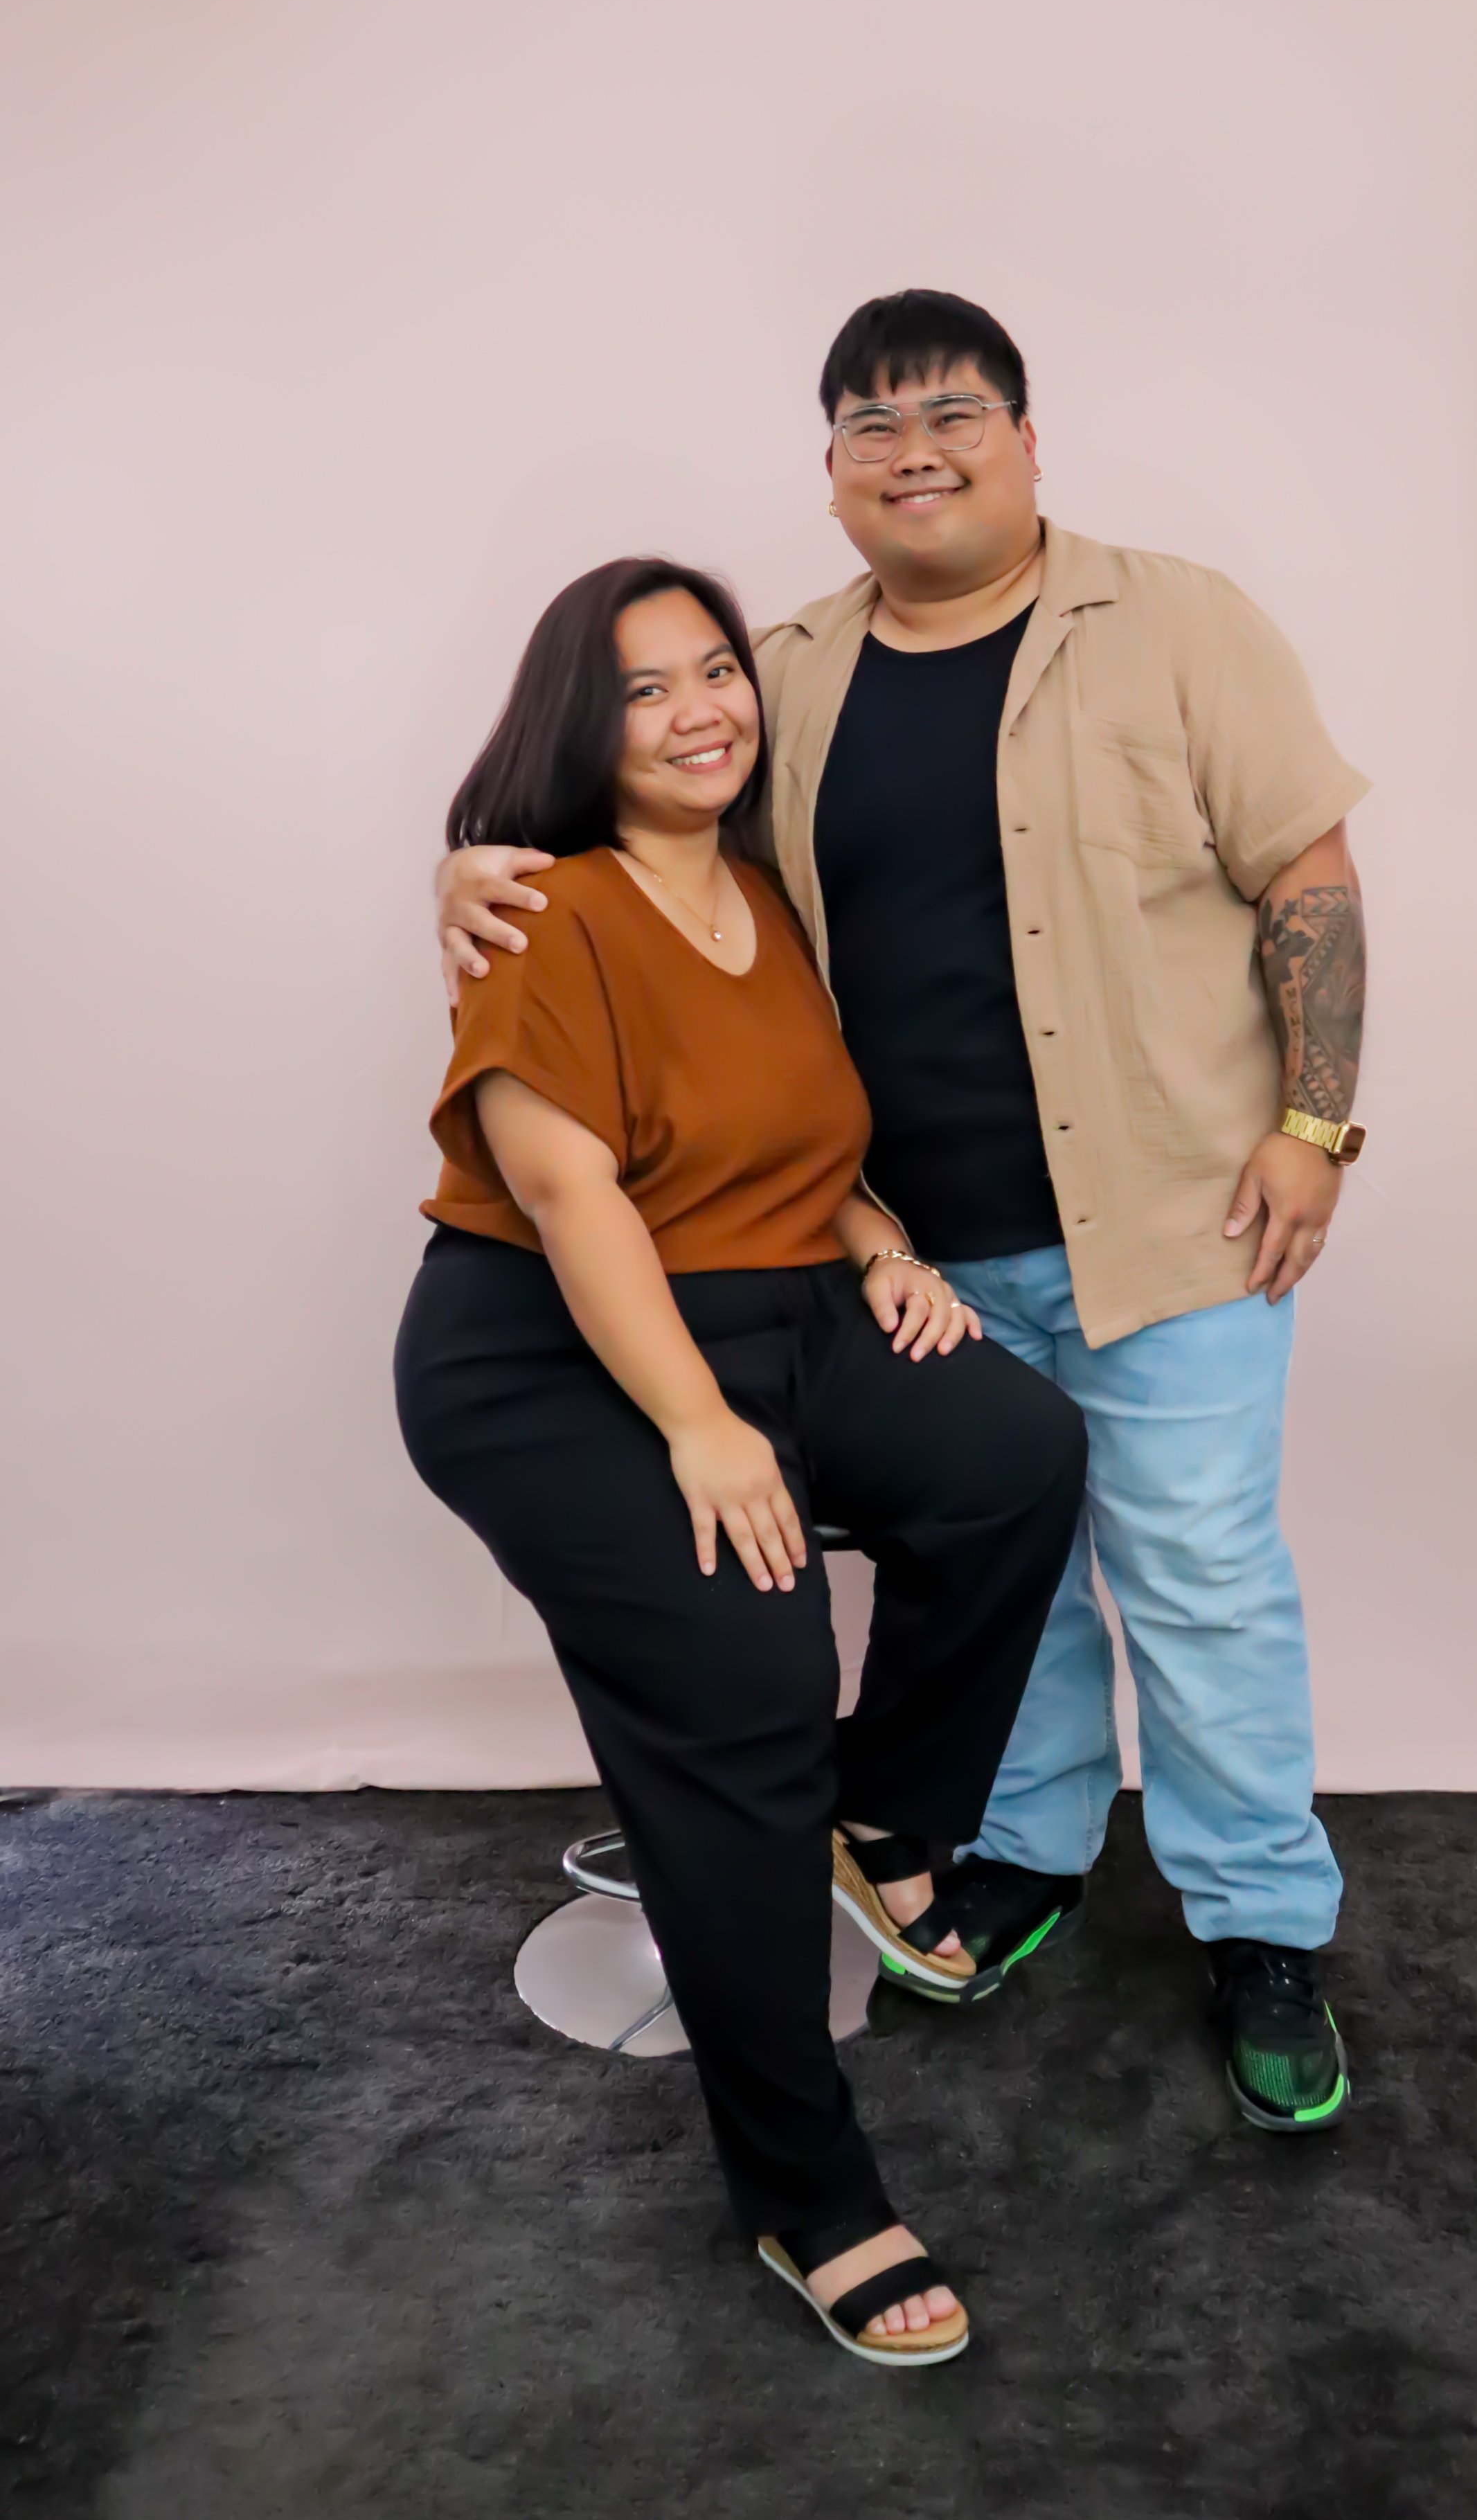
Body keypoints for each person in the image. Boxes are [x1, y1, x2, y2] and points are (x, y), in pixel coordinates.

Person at [436, 291, 1372, 2137]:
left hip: (1173, 1223)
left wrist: (1314, 1125)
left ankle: (1261, 1926)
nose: (914, 449)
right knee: (1002, 1564)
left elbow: (1309, 877)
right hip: (894, 1250)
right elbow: (641, 828)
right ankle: (1012, 1855)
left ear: (1026, 440)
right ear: (832, 471)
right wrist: (467, 871)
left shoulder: (1176, 623)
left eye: (952, 413)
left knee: (1197, 1576)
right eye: (872, 424)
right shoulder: (782, 674)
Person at [396, 554, 1087, 2364]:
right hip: (549, 1351)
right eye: (646, 689)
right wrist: (697, 1427)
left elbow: (793, 1148)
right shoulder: (545, 911)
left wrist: (883, 1249)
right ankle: (808, 2191)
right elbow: (572, 1197)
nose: (701, 709)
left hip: (778, 1307)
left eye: (715, 669)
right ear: (580, 724)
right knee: (750, 1664)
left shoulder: (762, 897)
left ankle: (876, 1816)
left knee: (1011, 1450)